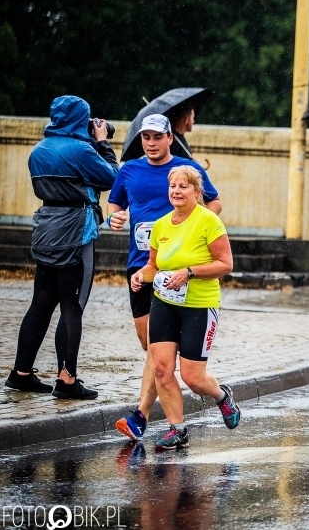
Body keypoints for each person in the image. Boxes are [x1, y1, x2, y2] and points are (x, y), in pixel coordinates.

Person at [107, 114, 222, 441]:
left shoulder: (188, 169)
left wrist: (193, 227)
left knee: (159, 354)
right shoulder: (129, 170)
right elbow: (114, 205)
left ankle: (142, 415)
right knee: (150, 346)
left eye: (158, 136)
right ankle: (162, 402)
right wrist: (115, 217)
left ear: (170, 137)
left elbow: (215, 203)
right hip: (142, 266)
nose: (151, 143)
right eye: (146, 137)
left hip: (178, 271)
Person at [4, 95, 118, 399]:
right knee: (72, 306)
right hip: (76, 232)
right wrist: (102, 142)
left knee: (40, 303)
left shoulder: (39, 150)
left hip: (46, 229)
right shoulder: (82, 150)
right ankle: (67, 380)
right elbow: (113, 177)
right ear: (81, 119)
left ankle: (21, 373)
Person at [130, 165, 240, 450]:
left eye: (183, 186)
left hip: (199, 306)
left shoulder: (208, 221)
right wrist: (141, 275)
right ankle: (177, 429)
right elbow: (154, 265)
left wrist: (190, 272)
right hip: (165, 303)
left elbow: (225, 264)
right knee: (162, 369)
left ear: (196, 191)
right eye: (173, 186)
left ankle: (222, 396)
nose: (176, 191)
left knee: (193, 377)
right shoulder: (161, 225)